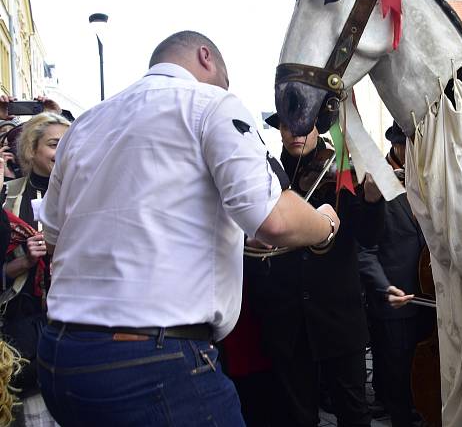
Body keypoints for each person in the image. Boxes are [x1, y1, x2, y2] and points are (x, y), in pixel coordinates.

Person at [36, 31, 340, 427]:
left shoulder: (86, 124)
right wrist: (325, 224)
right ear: (205, 57)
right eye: (225, 79)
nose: (225, 88)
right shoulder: (210, 103)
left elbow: (57, 242)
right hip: (152, 361)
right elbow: (274, 219)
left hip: (62, 356)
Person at [245, 112, 383, 427]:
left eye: (302, 124)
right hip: (287, 322)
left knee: (354, 413)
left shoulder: (341, 172)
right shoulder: (265, 176)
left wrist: (374, 200)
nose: (294, 131)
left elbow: (369, 236)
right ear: (278, 131)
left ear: (317, 127)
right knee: (297, 416)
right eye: (285, 125)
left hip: (338, 318)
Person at [357, 122, 433, 427]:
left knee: (425, 374)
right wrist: (384, 286)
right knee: (399, 384)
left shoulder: (426, 182)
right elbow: (365, 250)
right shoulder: (376, 186)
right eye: (410, 146)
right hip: (395, 303)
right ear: (398, 147)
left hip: (428, 296)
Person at [0, 112, 69, 427]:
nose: (64, 151)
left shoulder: (86, 194)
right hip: (21, 327)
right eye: (55, 143)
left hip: (74, 321)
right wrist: (24, 260)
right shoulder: (8, 196)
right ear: (31, 149)